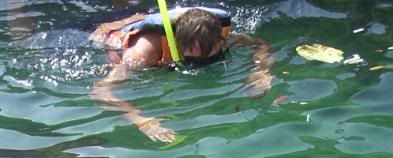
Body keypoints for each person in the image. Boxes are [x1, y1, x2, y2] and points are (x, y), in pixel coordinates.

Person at [88, 6, 274, 142]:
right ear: (178, 45)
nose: (205, 61)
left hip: (141, 15)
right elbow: (100, 92)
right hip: (106, 30)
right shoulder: (142, 54)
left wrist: (261, 72)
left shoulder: (220, 37)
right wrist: (142, 121)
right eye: (196, 58)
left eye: (213, 54)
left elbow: (261, 46)